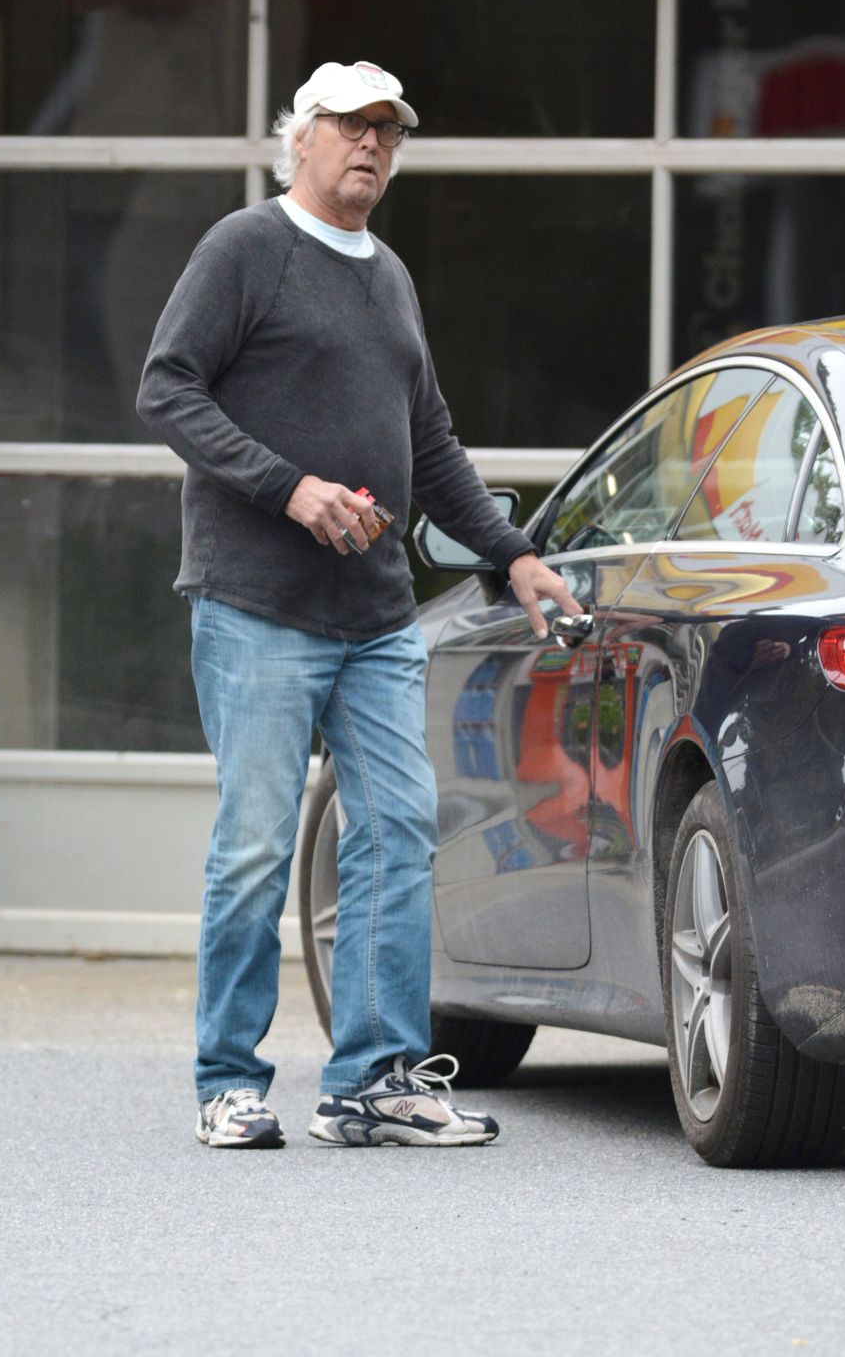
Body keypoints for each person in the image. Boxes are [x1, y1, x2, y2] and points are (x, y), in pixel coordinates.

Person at [137, 60, 579, 1149]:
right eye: (350, 125)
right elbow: (167, 386)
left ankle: (375, 1077)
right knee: (253, 847)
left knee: (398, 830)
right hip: (257, 607)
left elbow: (430, 442)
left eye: (388, 130)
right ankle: (228, 1080)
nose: (371, 145)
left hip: (375, 617)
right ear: (301, 138)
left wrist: (515, 555)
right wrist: (289, 487)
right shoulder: (246, 248)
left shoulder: (389, 276)